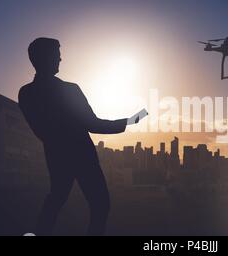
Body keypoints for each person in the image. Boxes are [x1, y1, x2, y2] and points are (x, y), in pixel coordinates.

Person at [18, 37, 139, 235]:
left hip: (56, 156)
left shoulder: (26, 93)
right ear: (45, 58)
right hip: (83, 156)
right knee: (100, 205)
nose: (60, 59)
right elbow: (93, 124)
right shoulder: (69, 89)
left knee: (55, 201)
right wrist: (129, 121)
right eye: (57, 55)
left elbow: (40, 130)